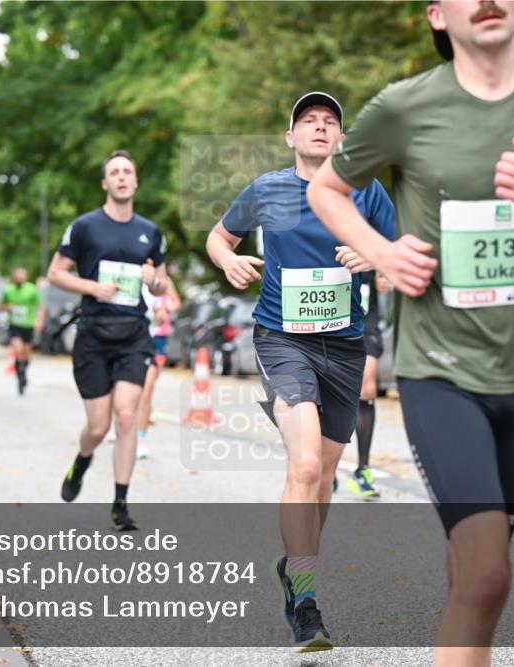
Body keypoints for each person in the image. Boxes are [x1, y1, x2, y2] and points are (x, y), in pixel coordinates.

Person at [308, 1, 514, 663]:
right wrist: (382, 251)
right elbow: (327, 190)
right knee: (487, 572)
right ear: (438, 15)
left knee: (473, 567)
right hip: (439, 370)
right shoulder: (404, 105)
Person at [205, 92, 395, 652]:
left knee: (325, 477)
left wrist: (376, 255)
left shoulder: (366, 189)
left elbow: (401, 248)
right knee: (306, 462)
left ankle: (295, 566)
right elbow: (219, 236)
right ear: (291, 137)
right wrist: (228, 258)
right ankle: (306, 603)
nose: (319, 126)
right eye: (308, 121)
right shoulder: (266, 189)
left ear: (341, 138)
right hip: (283, 340)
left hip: (344, 345)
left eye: (329, 121)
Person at [48, 149, 168, 531]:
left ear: (135, 181)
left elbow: (162, 281)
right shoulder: (84, 227)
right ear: (105, 182)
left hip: (133, 334)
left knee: (127, 414)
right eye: (113, 172)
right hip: (94, 335)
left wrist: (155, 282)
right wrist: (92, 287)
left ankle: (120, 503)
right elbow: (55, 273)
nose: (120, 177)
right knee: (98, 427)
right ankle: (82, 460)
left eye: (127, 171)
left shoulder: (151, 231)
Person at [344, 271, 391, 498]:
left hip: (366, 326)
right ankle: (324, 464)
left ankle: (363, 469)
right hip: (330, 323)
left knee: (367, 387)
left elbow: (386, 280)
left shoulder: (372, 237)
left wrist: (384, 278)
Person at [135, 275, 181, 459]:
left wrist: (165, 309)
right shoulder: (132, 273)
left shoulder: (164, 280)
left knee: (147, 389)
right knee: (129, 389)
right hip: (132, 335)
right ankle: (123, 427)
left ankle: (140, 439)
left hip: (157, 338)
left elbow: (176, 302)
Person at [1, 267, 43, 395]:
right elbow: (2, 305)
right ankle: (20, 376)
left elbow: (39, 305)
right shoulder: (8, 289)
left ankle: (22, 372)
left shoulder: (32, 289)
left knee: (26, 354)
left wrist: (39, 320)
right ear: (14, 277)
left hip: (28, 324)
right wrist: (8, 307)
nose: (19, 277)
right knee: (18, 350)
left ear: (25, 276)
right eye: (17, 275)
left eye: (22, 275)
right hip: (15, 325)